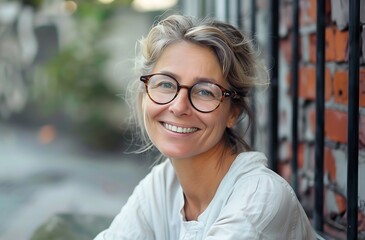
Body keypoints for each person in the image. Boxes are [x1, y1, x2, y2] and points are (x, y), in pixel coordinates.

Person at [94, 14, 316, 240]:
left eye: (204, 91)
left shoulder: (259, 197)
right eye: (166, 84)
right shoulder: (163, 185)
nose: (179, 107)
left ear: (232, 113)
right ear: (145, 96)